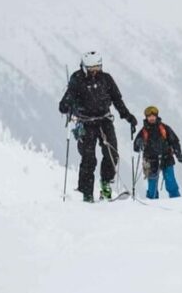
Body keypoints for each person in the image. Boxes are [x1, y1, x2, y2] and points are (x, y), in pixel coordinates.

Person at [58, 52, 137, 202]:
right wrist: (67, 105)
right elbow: (63, 104)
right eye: (91, 68)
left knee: (112, 153)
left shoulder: (106, 79)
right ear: (84, 67)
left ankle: (105, 185)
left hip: (104, 121)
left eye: (97, 67)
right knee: (88, 158)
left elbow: (117, 99)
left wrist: (128, 116)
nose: (95, 71)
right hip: (85, 123)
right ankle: (87, 193)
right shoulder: (77, 79)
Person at [133, 106, 182, 199]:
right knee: (152, 186)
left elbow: (174, 141)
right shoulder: (144, 131)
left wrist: (178, 153)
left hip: (166, 157)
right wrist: (138, 143)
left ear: (156, 116)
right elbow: (136, 147)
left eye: (153, 116)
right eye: (149, 116)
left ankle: (177, 201)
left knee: (171, 182)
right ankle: (152, 205)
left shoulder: (164, 128)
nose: (151, 118)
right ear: (146, 117)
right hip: (151, 160)